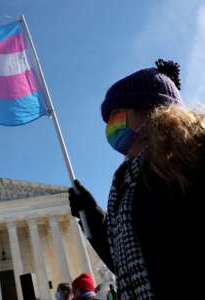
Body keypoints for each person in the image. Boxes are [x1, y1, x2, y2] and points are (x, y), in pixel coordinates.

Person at [69, 59, 204, 299]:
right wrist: (92, 215)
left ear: (147, 110)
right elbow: (131, 264)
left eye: (115, 114)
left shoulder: (188, 163)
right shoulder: (128, 183)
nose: (110, 125)